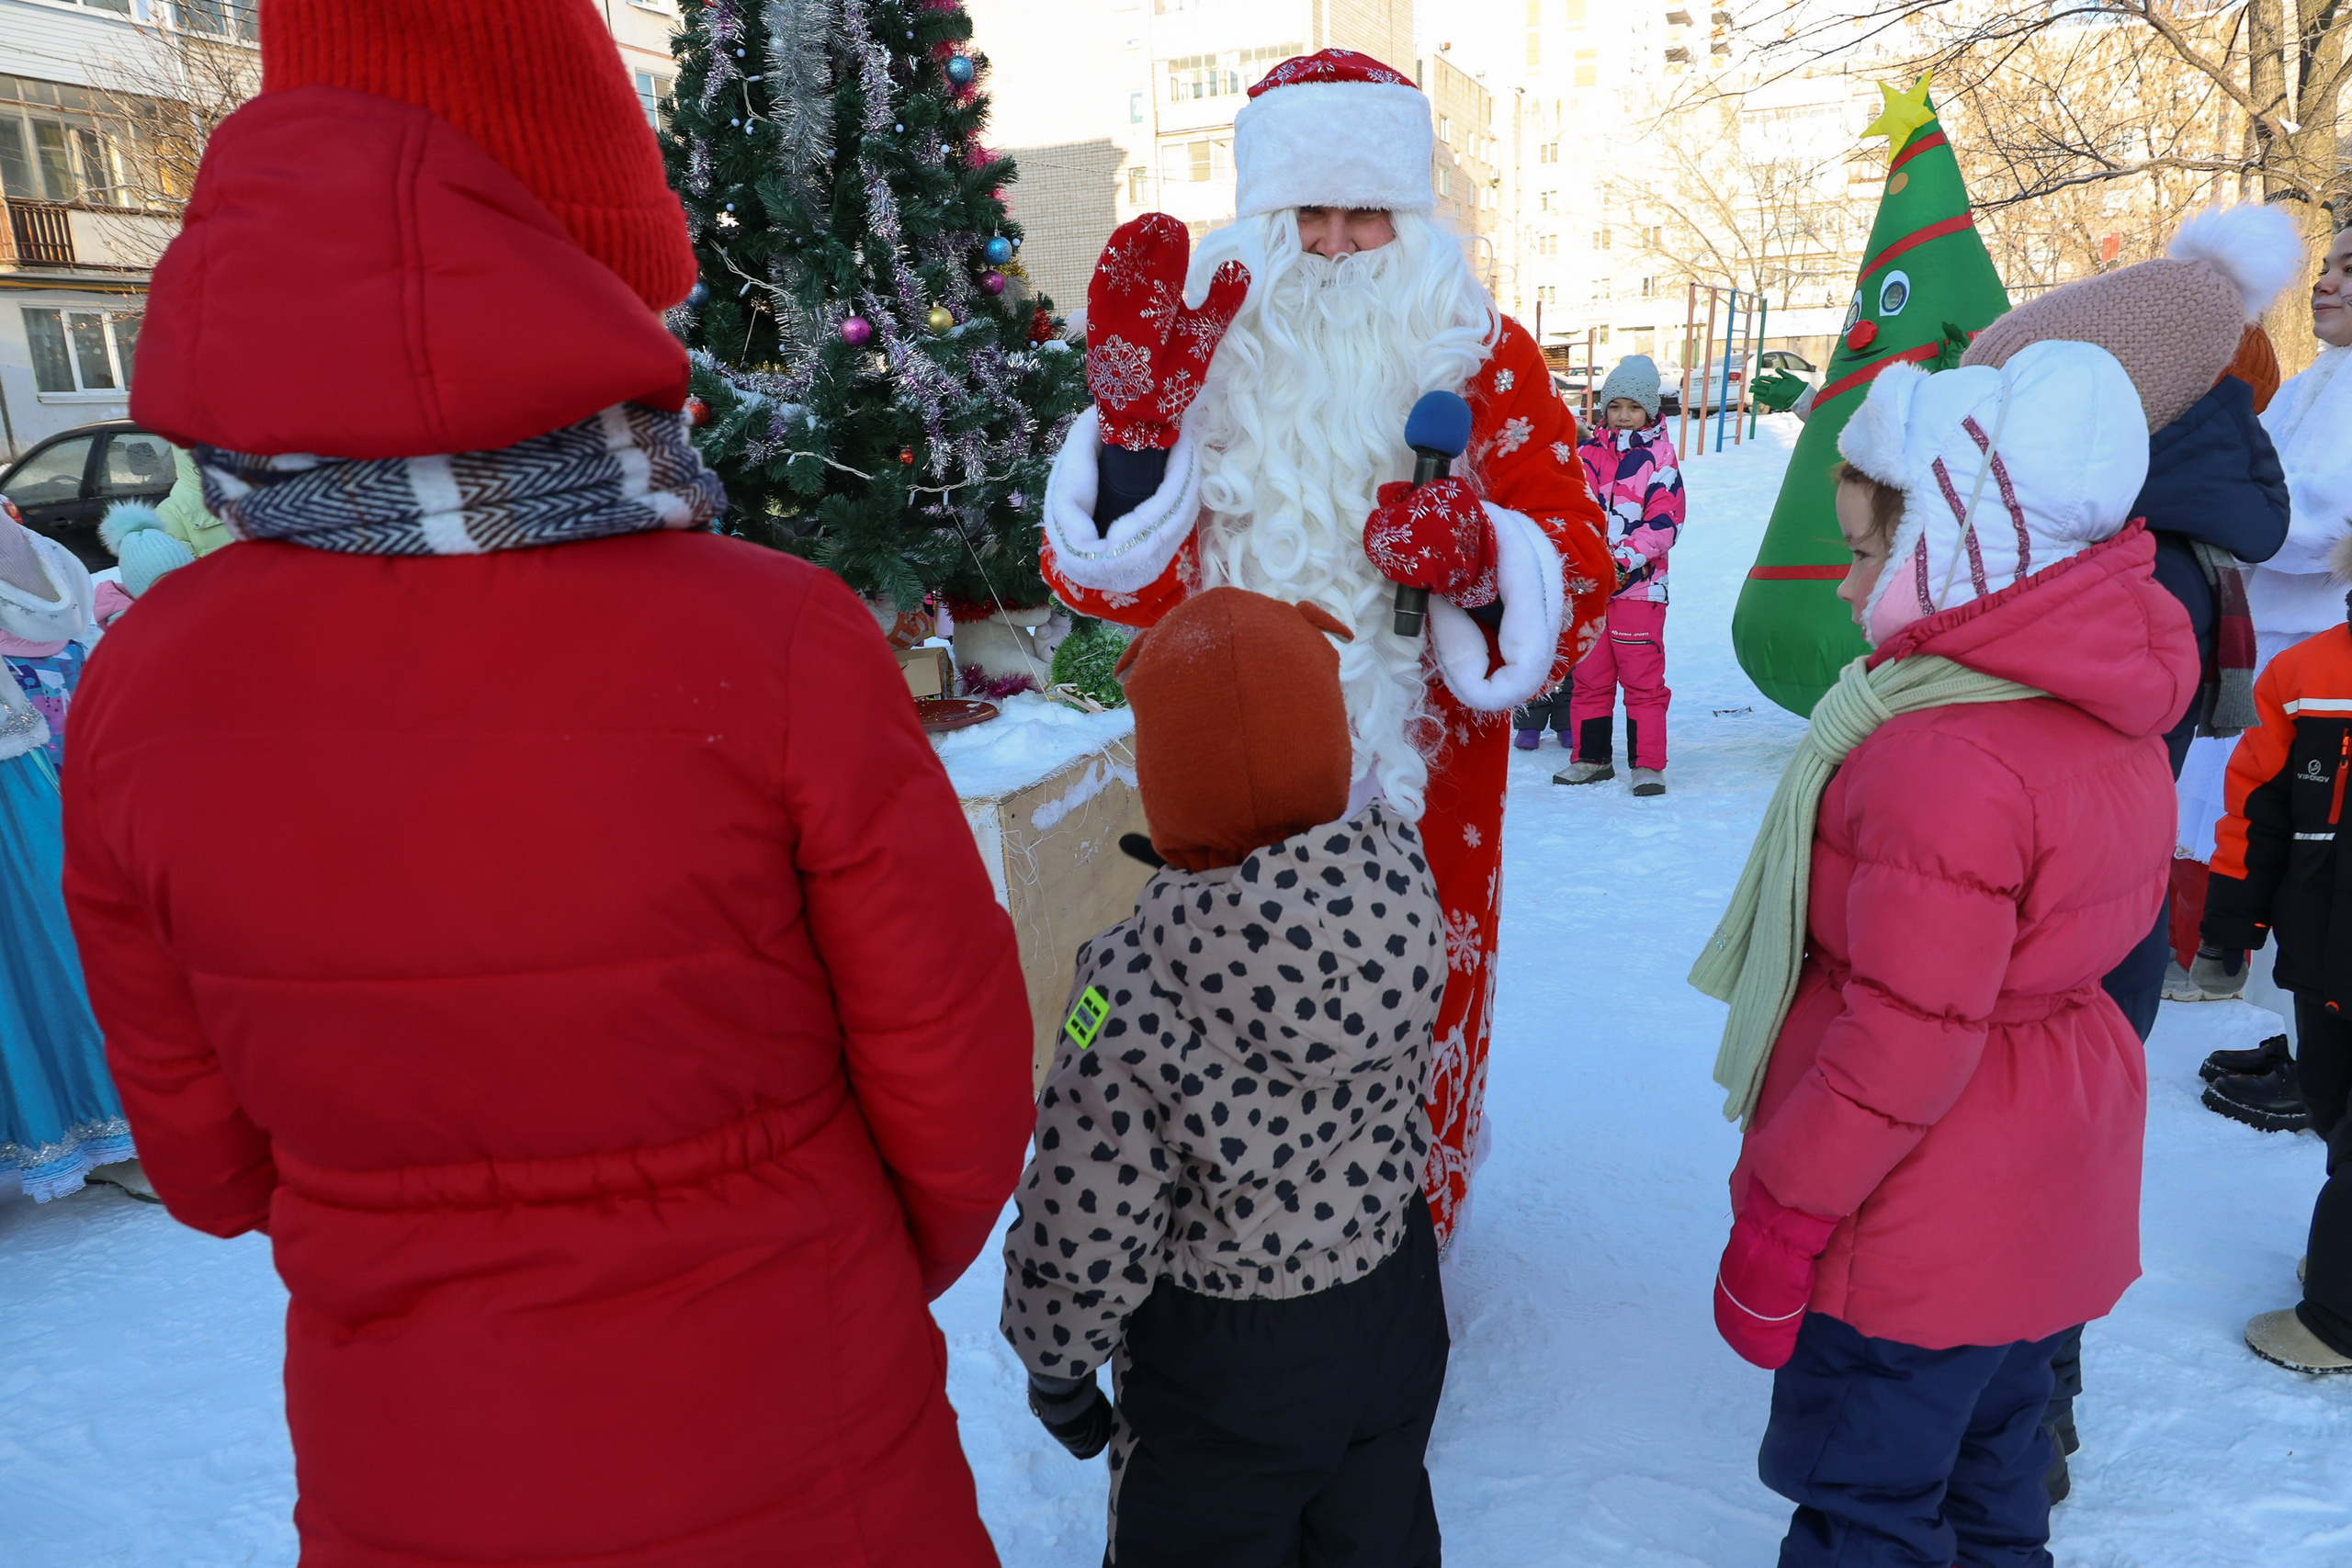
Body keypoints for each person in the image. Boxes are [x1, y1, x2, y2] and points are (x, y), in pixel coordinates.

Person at [60, 4, 1035, 1563]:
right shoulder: (774, 637)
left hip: (410, 1458)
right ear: (590, 273)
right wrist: (808, 1252)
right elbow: (956, 1084)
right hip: (796, 1423)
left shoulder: (138, 685)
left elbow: (208, 1162)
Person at [1039, 49, 1614, 1247]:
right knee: (1212, 1018)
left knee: (1411, 1007)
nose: (1339, 245)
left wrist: (1479, 555)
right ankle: (1230, 1261)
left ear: (1413, 216)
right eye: (1310, 211)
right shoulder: (1204, 351)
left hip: (1423, 791)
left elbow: (1578, 560)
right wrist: (1136, 446)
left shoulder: (1485, 354)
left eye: (1369, 213)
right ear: (1262, 213)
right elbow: (1106, 584)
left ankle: (1400, 1257)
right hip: (1221, 780)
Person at [1694, 337, 2193, 1568]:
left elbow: (1902, 1043)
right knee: (1993, 1483)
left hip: (1917, 1219)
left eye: (1868, 552)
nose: (1846, 585)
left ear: (1956, 546)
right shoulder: (2098, 709)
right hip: (2042, 1189)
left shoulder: (1940, 756)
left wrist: (1782, 1215)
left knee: (1867, 1506)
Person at [1004, 586, 1450, 1568]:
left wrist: (1056, 1361)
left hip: (1226, 1359)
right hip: (1392, 1299)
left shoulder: (1129, 982)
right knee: (1376, 1531)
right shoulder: (1399, 890)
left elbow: (1086, 1200)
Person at [2195, 220, 2352, 1127]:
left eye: (2349, 270)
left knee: (2322, 868)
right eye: (2326, 267)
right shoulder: (2318, 379)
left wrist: (2238, 520)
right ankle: (2303, 1040)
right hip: (2279, 657)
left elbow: (2314, 514)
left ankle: (2327, 1071)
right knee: (2284, 857)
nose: (2326, 283)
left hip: (2329, 663)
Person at [2203, 532, 2352, 1375]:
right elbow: (2256, 809)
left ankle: (2339, 1319)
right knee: (2331, 1105)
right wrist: (2232, 924)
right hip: (2324, 953)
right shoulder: (2306, 674)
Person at [0, 498, 147, 1203]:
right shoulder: (42, 553)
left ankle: (102, 1127)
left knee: (52, 946)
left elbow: (66, 619)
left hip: (18, 775)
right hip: (38, 764)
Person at [1555, 355, 1684, 795]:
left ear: (1650, 409)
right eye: (1615, 406)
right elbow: (1571, 511)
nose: (1624, 416)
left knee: (1642, 680)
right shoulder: (1585, 455)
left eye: (1633, 407)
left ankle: (1647, 764)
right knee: (1589, 678)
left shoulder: (1660, 458)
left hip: (1639, 589)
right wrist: (1583, 559)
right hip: (1590, 587)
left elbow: (1665, 523)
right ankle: (1591, 759)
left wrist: (1621, 559)